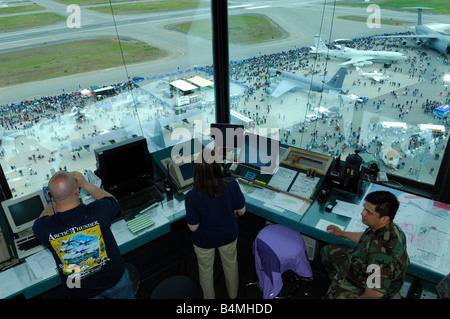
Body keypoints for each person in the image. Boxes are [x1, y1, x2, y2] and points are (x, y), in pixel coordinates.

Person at [33, 170, 135, 299]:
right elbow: (112, 200)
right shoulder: (98, 211)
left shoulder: (44, 228)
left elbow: (38, 223)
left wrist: (56, 198)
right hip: (112, 279)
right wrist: (84, 183)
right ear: (77, 191)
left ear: (51, 197)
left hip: (78, 289)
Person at [320, 190, 409, 299]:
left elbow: (374, 293)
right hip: (362, 265)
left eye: (369, 212)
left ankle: (340, 288)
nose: (363, 213)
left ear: (384, 219)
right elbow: (367, 237)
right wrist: (342, 233)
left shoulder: (381, 252)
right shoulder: (386, 227)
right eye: (364, 208)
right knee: (327, 251)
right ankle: (339, 282)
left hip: (365, 286)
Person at [185, 151, 246, 299]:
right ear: (217, 166)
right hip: (228, 235)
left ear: (197, 170)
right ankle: (233, 295)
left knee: (205, 270)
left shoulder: (191, 195)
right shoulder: (232, 184)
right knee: (231, 265)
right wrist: (233, 215)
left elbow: (193, 227)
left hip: (204, 240)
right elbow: (241, 211)